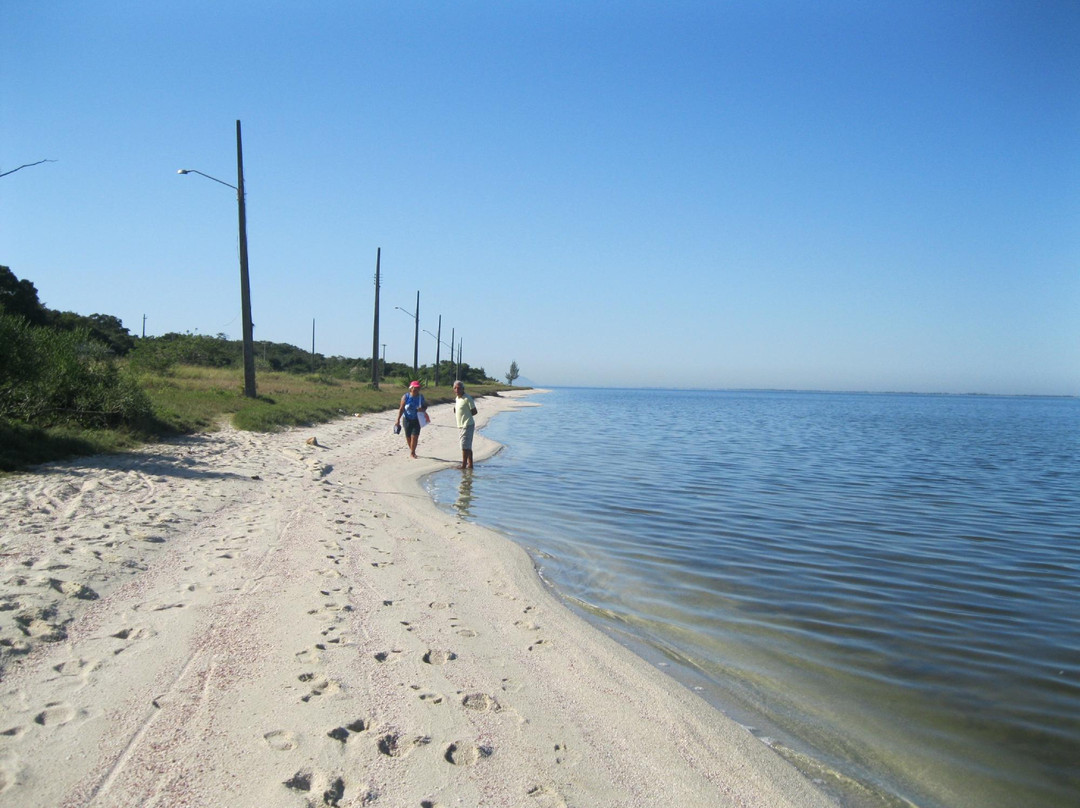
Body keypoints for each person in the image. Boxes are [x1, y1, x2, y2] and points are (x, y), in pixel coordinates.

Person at [395, 380, 427, 459]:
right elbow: (401, 409)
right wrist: (397, 420)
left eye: (417, 388)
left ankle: (412, 453)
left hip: (417, 420)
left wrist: (422, 409)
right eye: (414, 388)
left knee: (415, 436)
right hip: (407, 419)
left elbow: (425, 406)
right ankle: (412, 450)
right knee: (408, 436)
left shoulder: (421, 397)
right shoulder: (406, 397)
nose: (416, 390)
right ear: (410, 388)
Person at [452, 380, 478, 469]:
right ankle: (470, 464)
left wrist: (466, 415)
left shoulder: (467, 398)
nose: (457, 390)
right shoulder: (457, 399)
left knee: (464, 446)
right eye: (455, 388)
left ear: (463, 389)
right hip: (461, 425)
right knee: (467, 446)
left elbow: (474, 411)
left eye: (459, 388)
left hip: (467, 424)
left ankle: (463, 465)